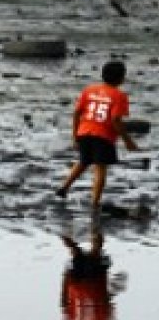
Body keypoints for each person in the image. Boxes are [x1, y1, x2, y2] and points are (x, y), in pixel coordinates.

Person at [56, 61, 138, 209]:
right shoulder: (119, 96)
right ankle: (95, 203)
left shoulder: (89, 90)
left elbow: (76, 113)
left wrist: (74, 135)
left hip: (84, 132)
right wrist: (127, 141)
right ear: (121, 78)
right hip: (103, 136)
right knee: (100, 169)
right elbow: (115, 120)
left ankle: (64, 187)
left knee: (83, 161)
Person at [60, 229, 115, 320]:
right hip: (76, 280)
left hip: (95, 278)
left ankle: (97, 229)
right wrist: (67, 276)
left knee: (96, 252)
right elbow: (64, 302)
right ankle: (62, 230)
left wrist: (105, 272)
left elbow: (106, 296)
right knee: (76, 252)